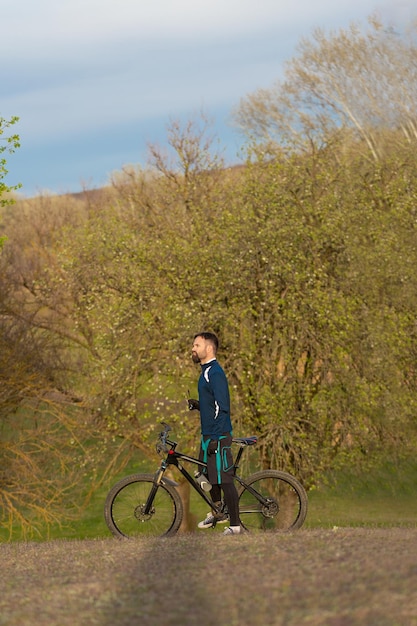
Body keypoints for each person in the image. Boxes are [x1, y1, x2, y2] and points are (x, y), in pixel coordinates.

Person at [189, 332, 241, 535]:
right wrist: (199, 406)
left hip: (217, 435)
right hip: (208, 434)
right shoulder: (205, 372)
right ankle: (218, 511)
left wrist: (216, 438)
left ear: (208, 348)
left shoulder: (215, 373)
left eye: (196, 345)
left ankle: (235, 526)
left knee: (224, 479)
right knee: (204, 475)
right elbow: (213, 405)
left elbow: (223, 406)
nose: (193, 349)